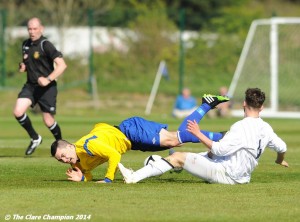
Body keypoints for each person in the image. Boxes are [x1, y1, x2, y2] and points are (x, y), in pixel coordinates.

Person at [118, 88, 289, 184]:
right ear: (262, 107)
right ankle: (155, 163)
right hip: (242, 176)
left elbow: (220, 150)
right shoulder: (266, 128)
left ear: (244, 104)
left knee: (177, 156)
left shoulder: (240, 126)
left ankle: (133, 177)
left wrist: (198, 133)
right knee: (174, 154)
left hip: (227, 175)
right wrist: (280, 159)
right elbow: (282, 147)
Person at [50, 94, 230, 183]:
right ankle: (208, 107)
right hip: (132, 142)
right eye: (61, 160)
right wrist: (82, 178)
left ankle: (221, 136)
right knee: (178, 139)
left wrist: (108, 179)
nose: (65, 160)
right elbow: (87, 172)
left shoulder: (87, 145)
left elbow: (113, 155)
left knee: (174, 140)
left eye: (64, 154)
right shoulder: (79, 162)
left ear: (70, 145)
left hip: (131, 131)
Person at [13, 17, 67, 155]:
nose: (32, 32)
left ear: (41, 29)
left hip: (47, 88)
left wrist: (48, 79)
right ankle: (35, 138)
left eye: (35, 28)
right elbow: (29, 64)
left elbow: (62, 65)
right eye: (29, 29)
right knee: (18, 111)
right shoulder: (25, 44)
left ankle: (61, 145)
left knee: (48, 120)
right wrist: (23, 67)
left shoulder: (45, 45)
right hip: (31, 86)